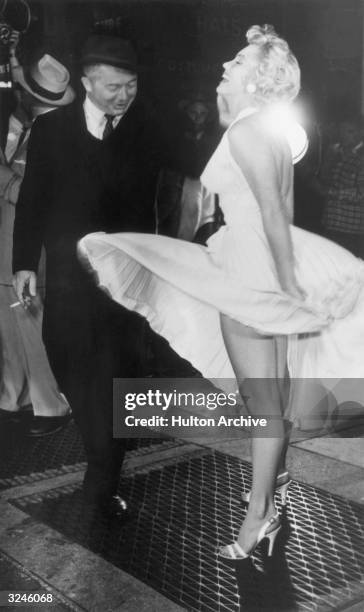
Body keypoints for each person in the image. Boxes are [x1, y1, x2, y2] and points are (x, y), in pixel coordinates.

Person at [78, 25, 364, 557]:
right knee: (271, 403)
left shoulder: (247, 132)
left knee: (264, 409)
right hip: (253, 263)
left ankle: (259, 517)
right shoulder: (266, 131)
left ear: (257, 78)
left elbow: (277, 215)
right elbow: (281, 210)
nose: (224, 67)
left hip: (250, 274)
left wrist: (283, 284)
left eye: (237, 61)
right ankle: (271, 497)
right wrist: (287, 280)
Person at [12, 34, 164, 519]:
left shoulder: (146, 130)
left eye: (131, 85)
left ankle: (102, 475)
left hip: (125, 277)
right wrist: (22, 263)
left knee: (117, 374)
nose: (124, 95)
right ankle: (99, 445)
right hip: (66, 274)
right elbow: (33, 198)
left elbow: (157, 203)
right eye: (114, 86)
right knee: (67, 360)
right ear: (87, 82)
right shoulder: (52, 129)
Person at [0, 52, 72, 436]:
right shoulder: (26, 126)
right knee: (9, 326)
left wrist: (3, 177)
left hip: (33, 250)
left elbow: (36, 194)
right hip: (6, 244)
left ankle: (51, 405)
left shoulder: (58, 135)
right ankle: (14, 395)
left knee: (33, 326)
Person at [319, 116, 364, 257]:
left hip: (351, 230)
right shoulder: (338, 152)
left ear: (360, 133)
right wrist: (328, 160)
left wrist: (329, 192)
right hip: (331, 223)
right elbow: (324, 179)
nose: (343, 135)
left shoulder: (361, 157)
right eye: (341, 131)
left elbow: (361, 194)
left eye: (349, 131)